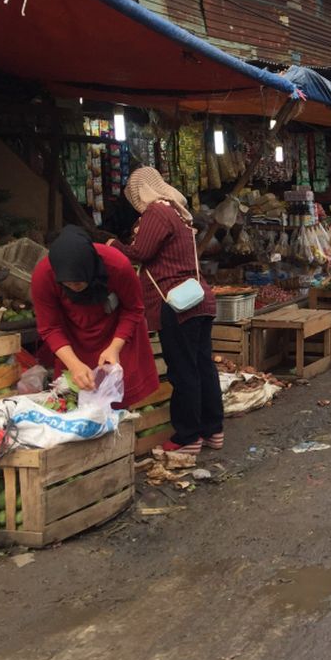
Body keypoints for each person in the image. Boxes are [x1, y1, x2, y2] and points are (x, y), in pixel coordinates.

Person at [110, 167, 224, 455]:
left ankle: (187, 437)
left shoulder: (157, 212)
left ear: (140, 191)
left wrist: (114, 246)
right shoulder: (178, 211)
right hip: (198, 299)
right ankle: (213, 430)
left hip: (176, 303)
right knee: (202, 366)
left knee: (184, 370)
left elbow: (141, 253)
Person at [32, 226, 159, 408]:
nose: (74, 288)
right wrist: (74, 364)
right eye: (67, 284)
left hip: (116, 332)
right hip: (73, 337)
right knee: (73, 401)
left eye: (78, 282)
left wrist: (115, 347)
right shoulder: (44, 275)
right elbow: (49, 327)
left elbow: (134, 309)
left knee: (118, 399)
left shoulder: (117, 265)